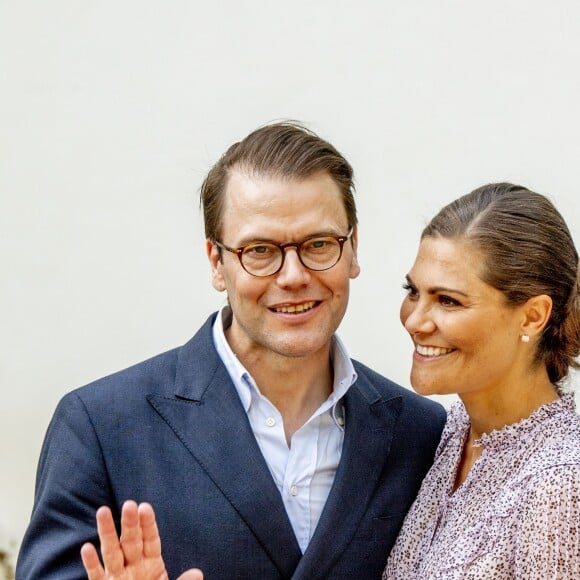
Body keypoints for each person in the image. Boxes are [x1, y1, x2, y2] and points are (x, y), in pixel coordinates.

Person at [16, 122, 446, 579]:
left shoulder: (423, 434)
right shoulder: (100, 427)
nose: (294, 275)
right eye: (260, 250)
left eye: (319, 244)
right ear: (216, 262)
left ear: (353, 248)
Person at [384, 182, 580, 578]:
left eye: (448, 300)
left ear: (532, 317)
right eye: (413, 291)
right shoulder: (454, 430)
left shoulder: (559, 483)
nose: (414, 321)